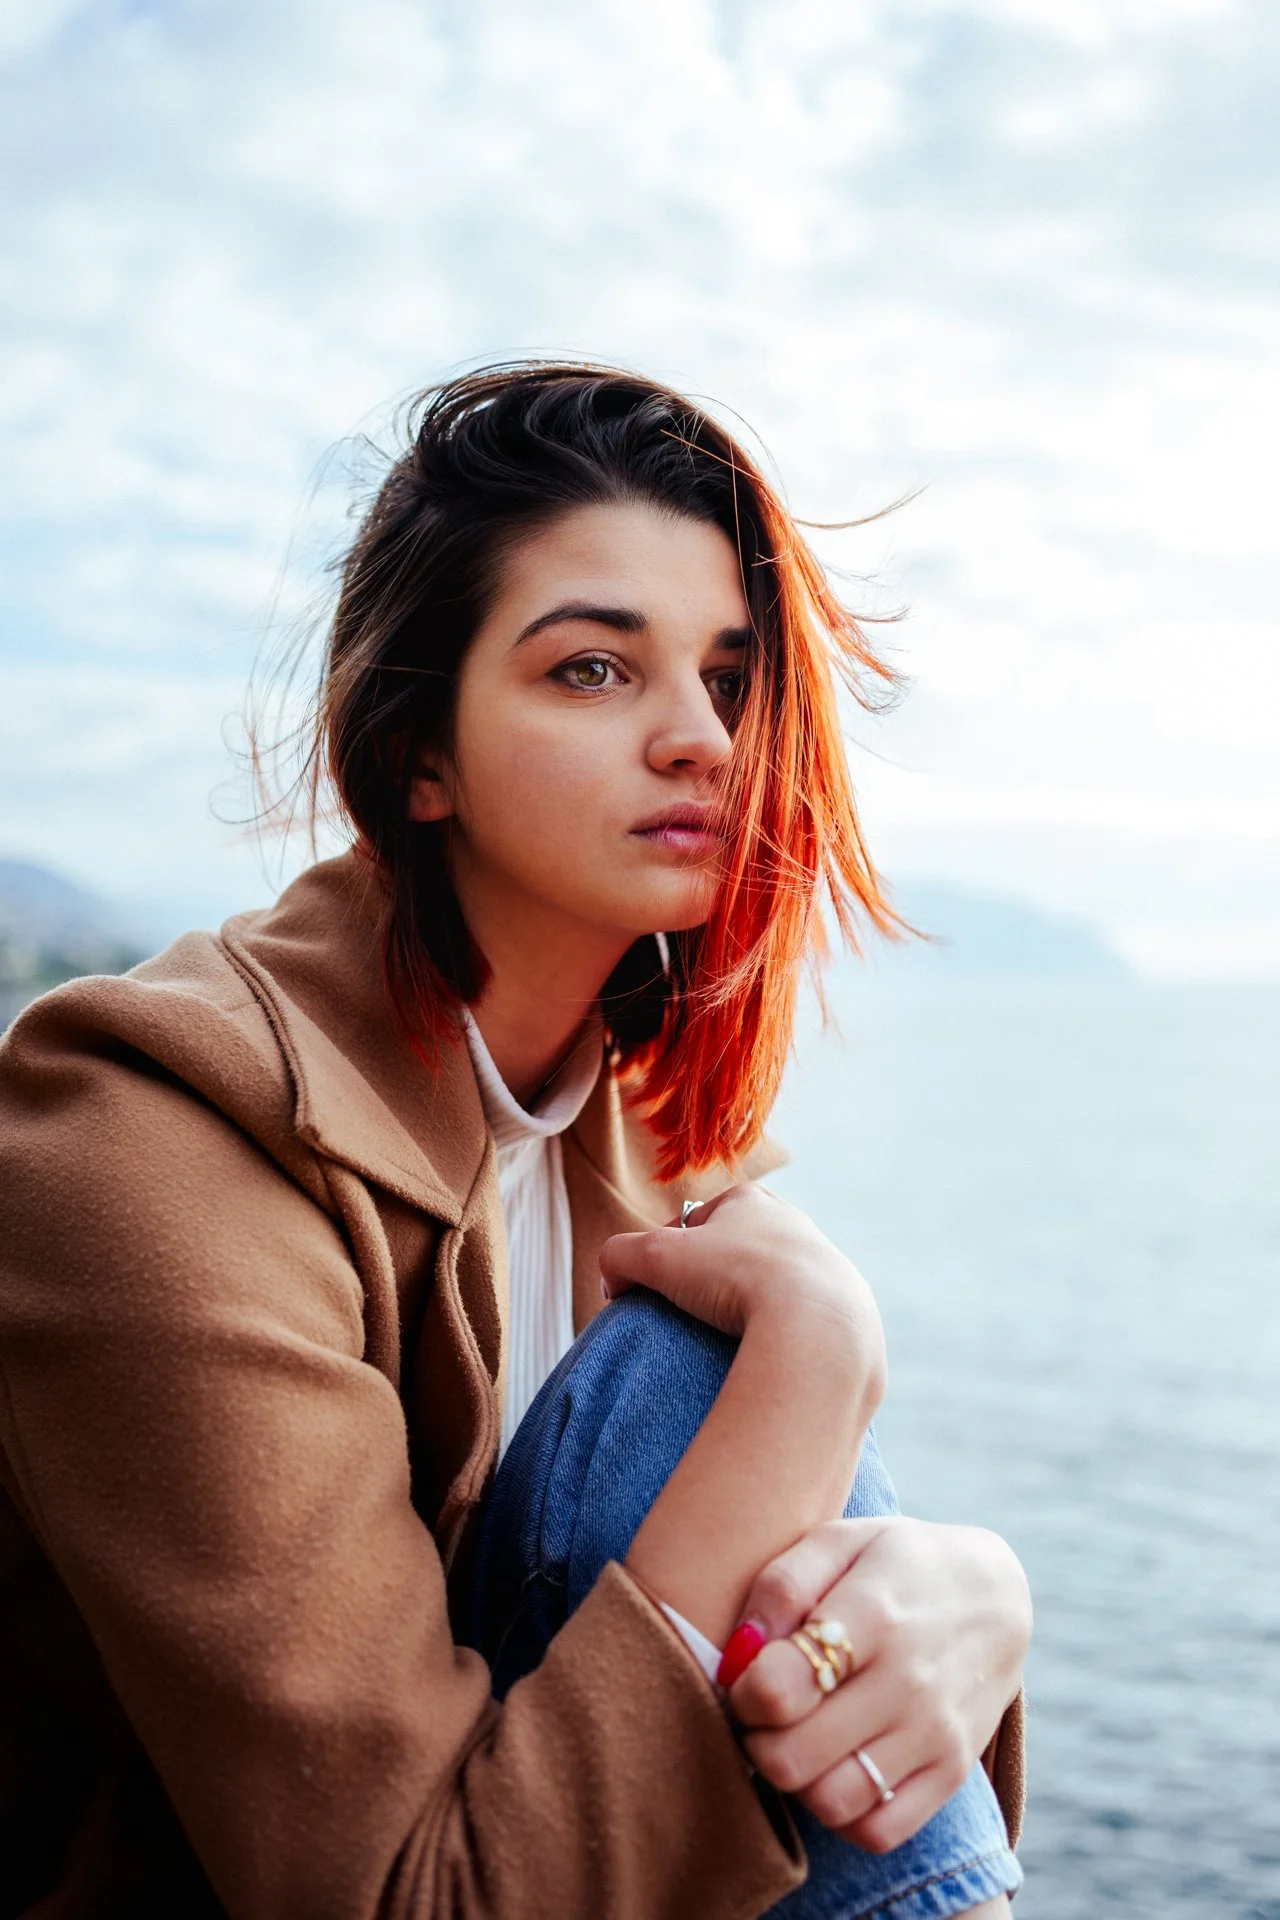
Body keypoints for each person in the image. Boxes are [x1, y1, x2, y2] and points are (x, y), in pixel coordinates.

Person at [0, 363, 1030, 1918]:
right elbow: (414, 1900)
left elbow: (836, 1656)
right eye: (595, 672)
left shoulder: (663, 1134)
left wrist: (984, 1605)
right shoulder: (150, 1143)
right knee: (696, 1373)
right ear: (421, 753)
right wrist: (819, 1356)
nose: (702, 740)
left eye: (731, 678)